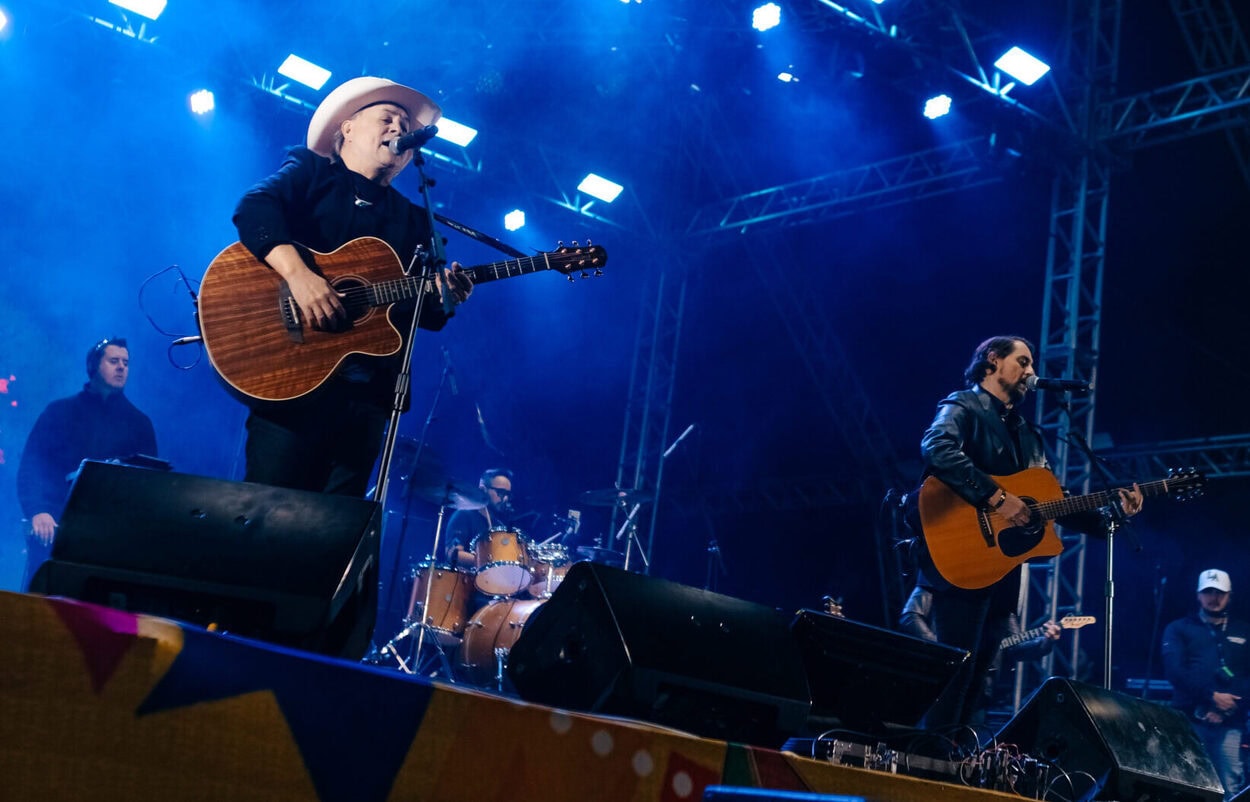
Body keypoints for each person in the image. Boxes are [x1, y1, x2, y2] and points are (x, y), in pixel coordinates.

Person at [231, 76, 473, 496]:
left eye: (405, 125)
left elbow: (421, 315)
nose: (399, 129)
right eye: (388, 118)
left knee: (336, 522)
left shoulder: (415, 220)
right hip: (292, 373)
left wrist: (443, 296)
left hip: (367, 396)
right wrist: (300, 276)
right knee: (268, 506)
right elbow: (253, 209)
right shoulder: (310, 171)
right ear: (347, 128)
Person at [913, 335, 1143, 730]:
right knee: (955, 673)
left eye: (1032, 364)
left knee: (981, 679)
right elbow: (937, 448)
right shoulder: (963, 405)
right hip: (962, 560)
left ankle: (954, 758)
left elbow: (1055, 502)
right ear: (992, 359)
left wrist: (1114, 513)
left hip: (1003, 572)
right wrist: (998, 498)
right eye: (1023, 361)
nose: (1031, 371)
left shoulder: (1026, 432)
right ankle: (926, 756)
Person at [16, 337, 158, 586]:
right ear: (93, 366)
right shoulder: (59, 412)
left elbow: (151, 485)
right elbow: (32, 466)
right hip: (55, 527)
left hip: (111, 541)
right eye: (114, 361)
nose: (121, 367)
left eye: (126, 363)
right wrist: (38, 510)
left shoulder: (140, 424)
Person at [899, 583, 1060, 723]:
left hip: (979, 688)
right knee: (930, 736)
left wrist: (1045, 642)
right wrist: (943, 648)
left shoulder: (1001, 595)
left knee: (966, 742)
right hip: (940, 679)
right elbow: (910, 616)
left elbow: (1016, 647)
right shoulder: (946, 574)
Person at [1162, 569, 1250, 800]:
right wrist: (1211, 697)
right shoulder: (1179, 628)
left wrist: (1229, 706)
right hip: (1188, 722)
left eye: (1220, 592)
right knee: (1183, 783)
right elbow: (1175, 672)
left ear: (1229, 595)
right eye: (1208, 591)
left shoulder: (1244, 631)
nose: (1214, 597)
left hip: (1231, 723)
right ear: (1198, 595)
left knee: (1229, 788)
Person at [445, 468, 515, 570]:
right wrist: (487, 561)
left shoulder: (499, 526)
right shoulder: (464, 515)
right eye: (500, 492)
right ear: (483, 489)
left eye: (508, 494)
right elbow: (453, 554)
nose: (505, 499)